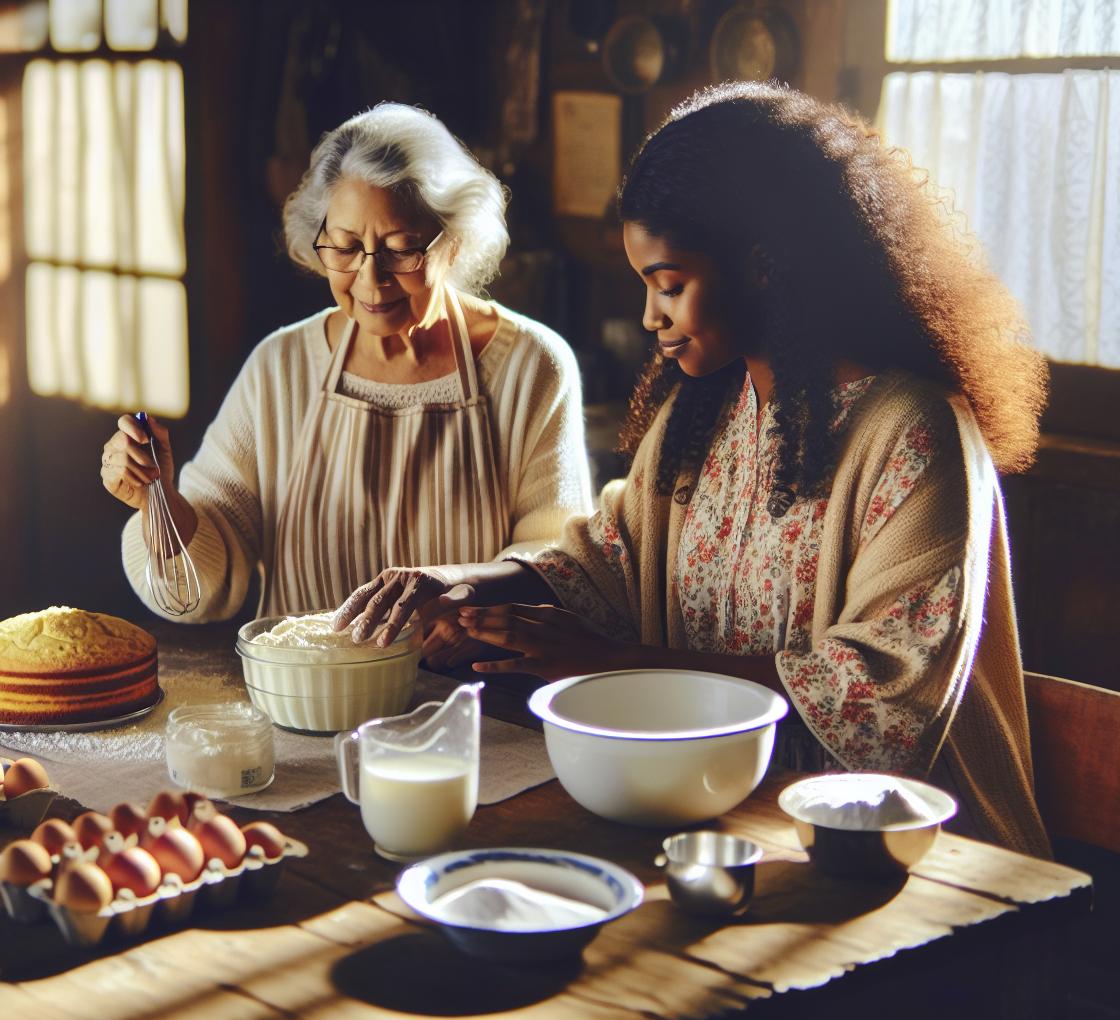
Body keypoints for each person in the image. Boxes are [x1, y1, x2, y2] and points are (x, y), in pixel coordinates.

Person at [335, 82, 1052, 855]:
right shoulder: (703, 412)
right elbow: (611, 561)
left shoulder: (911, 432)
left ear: (763, 266)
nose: (652, 316)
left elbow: (880, 699)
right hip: (715, 810)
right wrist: (467, 585)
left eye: (669, 286)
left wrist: (615, 665)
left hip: (901, 853)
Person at [102, 103, 592, 622]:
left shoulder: (529, 366)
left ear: (454, 243)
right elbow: (208, 578)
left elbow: (555, 563)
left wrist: (464, 604)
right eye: (346, 247)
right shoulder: (281, 369)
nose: (370, 279)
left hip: (468, 672)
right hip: (304, 675)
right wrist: (157, 500)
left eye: (401, 249)